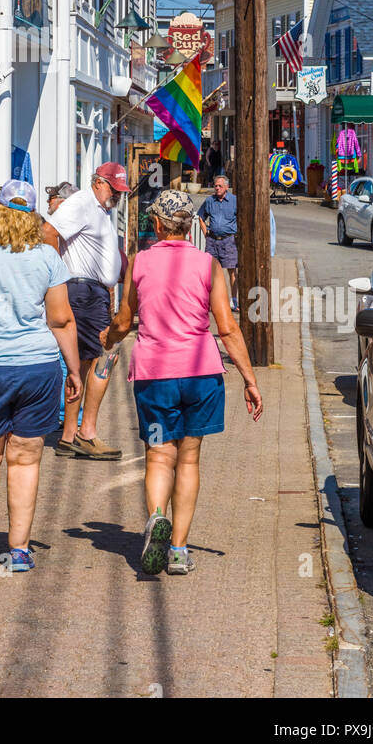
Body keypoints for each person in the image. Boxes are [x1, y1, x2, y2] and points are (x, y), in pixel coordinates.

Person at [104, 188, 263, 576]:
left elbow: (124, 322)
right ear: (190, 226)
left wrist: (106, 343)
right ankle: (177, 549)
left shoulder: (139, 262)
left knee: (159, 456)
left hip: (155, 376)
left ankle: (157, 517)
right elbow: (227, 329)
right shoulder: (210, 265)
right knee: (189, 459)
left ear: (156, 225)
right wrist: (250, 379)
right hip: (201, 375)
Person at [0, 180, 81, 575]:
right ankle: (18, 549)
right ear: (35, 217)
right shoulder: (48, 258)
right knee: (24, 459)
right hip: (36, 368)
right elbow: (60, 319)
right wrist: (73, 369)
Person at [47, 162, 128, 460]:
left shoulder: (100, 211)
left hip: (92, 293)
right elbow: (49, 231)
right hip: (81, 291)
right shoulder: (82, 201)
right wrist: (55, 279)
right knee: (105, 358)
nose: (117, 195)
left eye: (121, 191)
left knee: (80, 365)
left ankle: (69, 435)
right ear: (97, 182)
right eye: (113, 188)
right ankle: (87, 433)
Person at [197, 174, 239, 310]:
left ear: (227, 187)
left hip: (228, 241)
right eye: (215, 186)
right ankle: (210, 301)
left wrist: (238, 235)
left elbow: (242, 218)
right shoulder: (210, 201)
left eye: (220, 186)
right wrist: (205, 233)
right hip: (212, 241)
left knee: (232, 271)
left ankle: (234, 301)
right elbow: (201, 217)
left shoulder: (234, 201)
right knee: (210, 272)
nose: (217, 188)